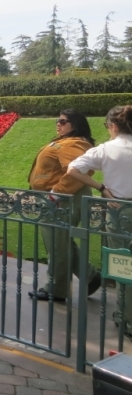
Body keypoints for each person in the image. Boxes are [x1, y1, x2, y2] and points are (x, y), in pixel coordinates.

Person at [66, 105, 132, 328]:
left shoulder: (106, 149)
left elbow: (73, 169)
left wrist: (101, 187)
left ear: (113, 126)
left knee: (123, 264)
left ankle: (127, 317)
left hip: (119, 210)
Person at [27, 109, 101, 301]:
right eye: (57, 121)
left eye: (62, 121)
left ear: (75, 125)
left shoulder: (74, 143)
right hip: (60, 198)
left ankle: (56, 289)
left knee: (57, 244)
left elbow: (77, 172)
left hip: (63, 199)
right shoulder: (66, 142)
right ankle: (91, 276)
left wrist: (55, 193)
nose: (58, 124)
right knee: (61, 242)